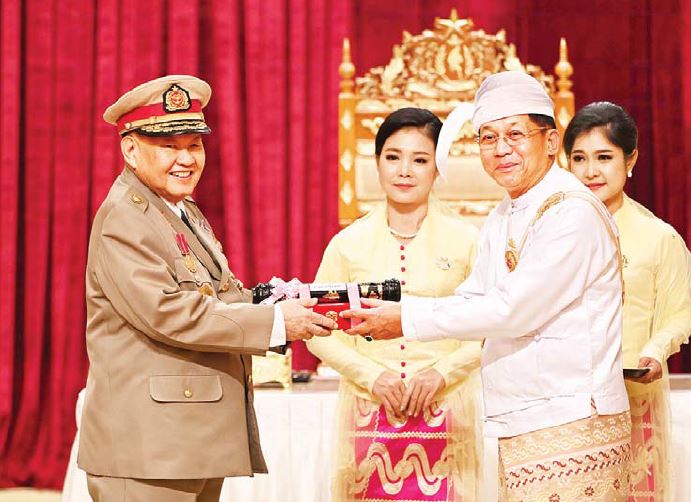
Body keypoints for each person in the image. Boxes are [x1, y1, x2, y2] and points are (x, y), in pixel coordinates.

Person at [342, 71, 633, 502]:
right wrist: (395, 311)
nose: (501, 149)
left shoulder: (571, 212)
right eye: (488, 138)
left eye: (515, 134)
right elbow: (475, 297)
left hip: (574, 418)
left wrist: (405, 319)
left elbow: (513, 310)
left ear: (551, 142)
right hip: (528, 417)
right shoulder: (506, 212)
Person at [78, 75, 337, 502]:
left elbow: (216, 296)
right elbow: (170, 313)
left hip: (185, 441)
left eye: (194, 145)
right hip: (147, 450)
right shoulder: (125, 218)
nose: (186, 159)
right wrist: (275, 322)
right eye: (169, 146)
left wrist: (280, 301)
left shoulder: (179, 209)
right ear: (130, 150)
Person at [307, 107, 482, 501]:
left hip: (447, 412)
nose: (404, 171)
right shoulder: (347, 244)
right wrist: (371, 376)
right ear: (377, 163)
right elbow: (318, 330)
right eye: (392, 157)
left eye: (419, 160)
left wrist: (443, 373)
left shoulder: (467, 241)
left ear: (437, 168)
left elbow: (490, 329)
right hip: (369, 413)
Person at [564, 101, 691, 501]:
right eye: (579, 158)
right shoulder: (548, 234)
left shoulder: (658, 237)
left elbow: (681, 311)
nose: (591, 171)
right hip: (561, 399)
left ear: (630, 159)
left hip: (632, 394)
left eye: (604, 157)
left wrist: (656, 350)